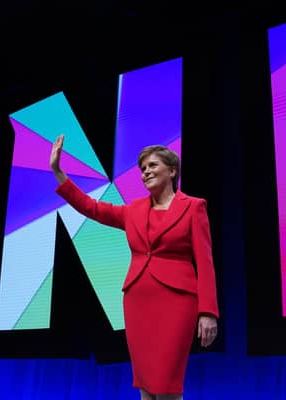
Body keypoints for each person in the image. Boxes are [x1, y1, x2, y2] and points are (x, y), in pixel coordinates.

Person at [50, 134, 219, 400]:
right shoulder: (134, 211)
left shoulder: (194, 207)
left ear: (172, 170)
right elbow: (91, 208)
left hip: (178, 302)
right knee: (145, 384)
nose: (146, 172)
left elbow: (205, 262)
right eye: (142, 168)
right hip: (138, 301)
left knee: (166, 383)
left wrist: (208, 312)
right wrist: (59, 173)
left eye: (152, 165)